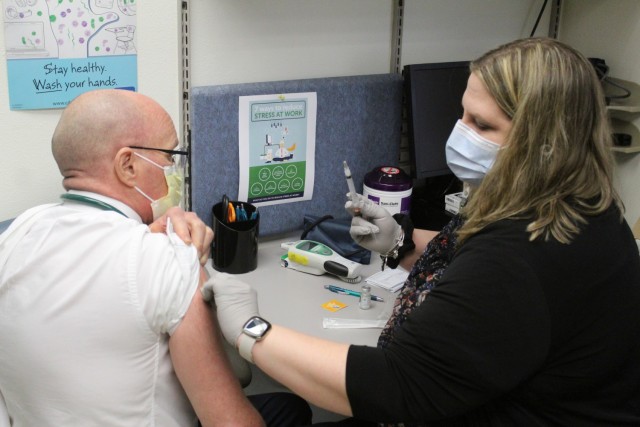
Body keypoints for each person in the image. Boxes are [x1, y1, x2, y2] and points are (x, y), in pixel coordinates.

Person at [203, 37, 640, 426]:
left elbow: (397, 387)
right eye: (463, 115)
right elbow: (469, 252)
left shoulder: (527, 253)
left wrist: (251, 329)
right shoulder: (569, 202)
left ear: (548, 145)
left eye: (483, 126)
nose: (460, 134)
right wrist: (401, 242)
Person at [0, 89, 310, 426]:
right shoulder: (166, 259)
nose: (175, 169)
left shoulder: (17, 232)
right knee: (290, 408)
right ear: (128, 165)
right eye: (169, 156)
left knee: (284, 407)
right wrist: (185, 265)